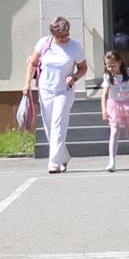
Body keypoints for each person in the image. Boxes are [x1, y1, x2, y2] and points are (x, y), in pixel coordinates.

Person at [26, 16, 85, 173]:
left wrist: (74, 77)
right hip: (45, 89)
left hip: (64, 90)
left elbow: (83, 68)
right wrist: (27, 84)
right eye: (59, 36)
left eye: (66, 34)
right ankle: (63, 156)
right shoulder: (43, 43)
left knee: (58, 124)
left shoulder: (75, 47)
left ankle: (53, 163)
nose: (63, 38)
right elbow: (32, 63)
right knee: (49, 128)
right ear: (52, 34)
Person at [100, 49, 129, 171]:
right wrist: (104, 111)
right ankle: (112, 161)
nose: (111, 68)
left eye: (113, 65)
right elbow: (104, 95)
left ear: (120, 62)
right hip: (114, 105)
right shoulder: (108, 77)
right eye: (108, 66)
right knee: (114, 132)